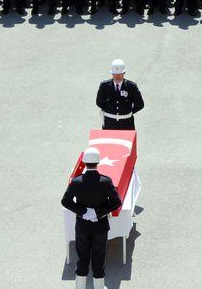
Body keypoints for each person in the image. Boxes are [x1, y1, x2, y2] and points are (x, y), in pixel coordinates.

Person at [61, 146, 122, 289]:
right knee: (99, 257)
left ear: (84, 161)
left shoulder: (76, 182)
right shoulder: (105, 182)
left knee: (82, 257)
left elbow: (65, 201)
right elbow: (116, 202)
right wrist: (98, 212)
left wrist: (83, 211)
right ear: (98, 162)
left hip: (82, 226)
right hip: (100, 225)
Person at [95, 59, 144, 130]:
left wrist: (128, 113)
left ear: (124, 73)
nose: (117, 76)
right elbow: (99, 102)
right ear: (112, 73)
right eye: (115, 74)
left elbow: (140, 104)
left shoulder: (131, 86)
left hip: (126, 123)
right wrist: (110, 111)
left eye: (120, 74)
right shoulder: (104, 86)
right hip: (109, 123)